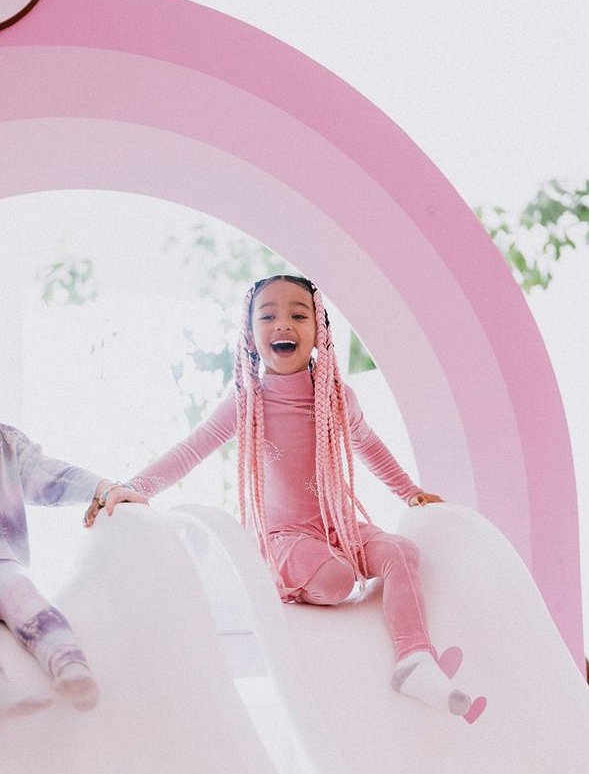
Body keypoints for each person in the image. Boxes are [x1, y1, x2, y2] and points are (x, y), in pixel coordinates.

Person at [88, 275, 486, 723]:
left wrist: (410, 492)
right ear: (250, 334)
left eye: (299, 315)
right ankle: (275, 576)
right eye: (268, 316)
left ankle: (414, 660)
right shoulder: (247, 401)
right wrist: (136, 487)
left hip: (339, 525)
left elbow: (369, 446)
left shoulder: (338, 399)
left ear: (320, 331)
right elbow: (191, 449)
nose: (283, 324)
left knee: (401, 552)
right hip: (283, 536)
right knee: (337, 581)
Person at [0, 423, 145, 716]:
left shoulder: (5, 442)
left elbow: (48, 474)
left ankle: (69, 664)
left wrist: (102, 488)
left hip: (3, 566)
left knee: (24, 596)